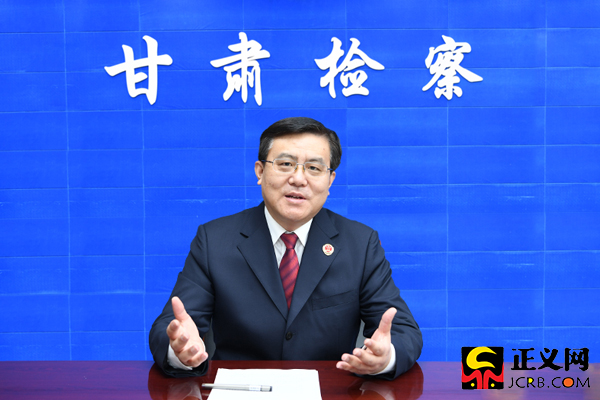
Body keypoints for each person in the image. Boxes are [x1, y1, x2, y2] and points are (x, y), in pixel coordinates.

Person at [149, 117, 422, 380]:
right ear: (260, 171)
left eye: (314, 168)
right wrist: (180, 350)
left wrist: (386, 357)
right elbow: (171, 327)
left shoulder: (360, 243)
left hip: (329, 390)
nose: (299, 179)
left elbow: (403, 331)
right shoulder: (214, 240)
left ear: (330, 180)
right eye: (286, 164)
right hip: (240, 391)